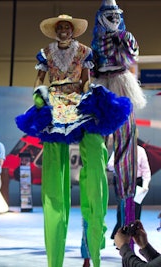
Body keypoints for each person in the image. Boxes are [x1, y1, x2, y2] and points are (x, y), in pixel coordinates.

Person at [15, 14, 131, 267]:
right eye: (61, 27)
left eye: (67, 27)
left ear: (73, 31)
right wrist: (38, 92)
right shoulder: (45, 52)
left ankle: (94, 251)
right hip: (55, 102)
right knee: (54, 175)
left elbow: (86, 77)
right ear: (56, 31)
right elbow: (40, 79)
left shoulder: (84, 52)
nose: (64, 30)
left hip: (78, 101)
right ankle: (54, 259)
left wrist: (89, 91)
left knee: (94, 159)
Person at [91, 0, 147, 230]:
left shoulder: (126, 36)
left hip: (121, 84)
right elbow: (92, 65)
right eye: (109, 16)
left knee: (126, 139)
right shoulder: (95, 41)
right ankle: (96, 187)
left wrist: (122, 39)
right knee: (99, 140)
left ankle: (127, 195)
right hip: (103, 85)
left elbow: (131, 56)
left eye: (116, 16)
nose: (114, 20)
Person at [109, 144, 151, 239]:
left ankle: (134, 235)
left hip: (138, 182)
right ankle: (119, 235)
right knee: (122, 209)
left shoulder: (140, 150)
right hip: (122, 181)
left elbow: (146, 170)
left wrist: (145, 186)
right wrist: (122, 163)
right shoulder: (118, 149)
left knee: (136, 210)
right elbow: (110, 165)